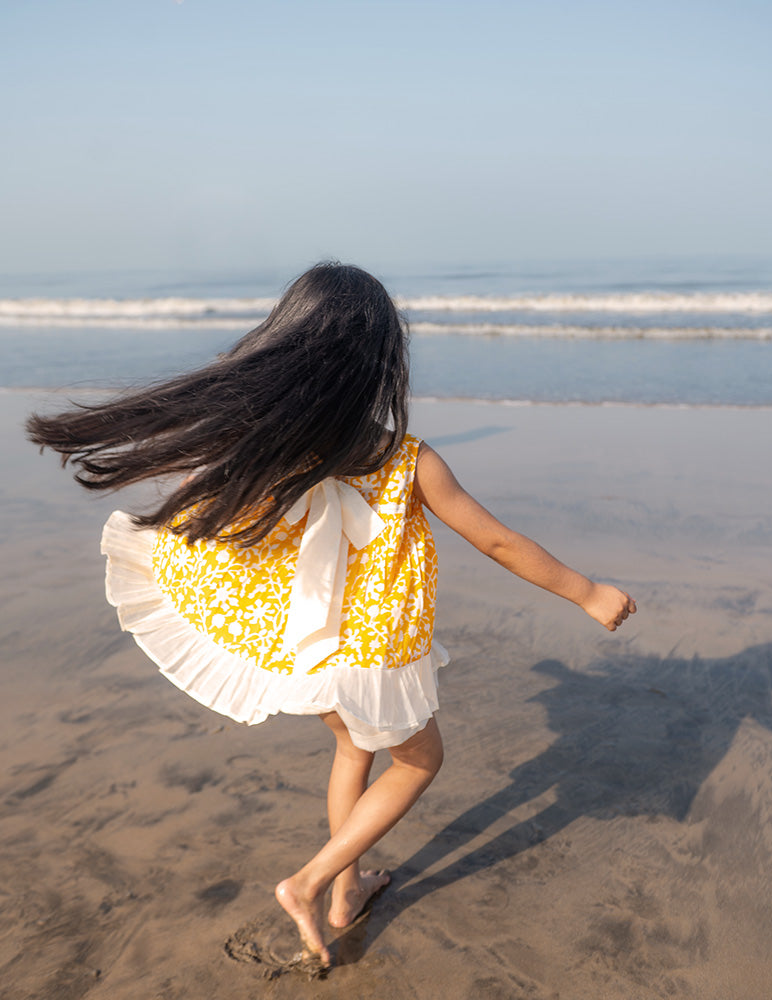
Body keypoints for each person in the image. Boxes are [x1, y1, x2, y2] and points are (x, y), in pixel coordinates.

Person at [27, 262, 636, 970]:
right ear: (378, 366)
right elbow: (496, 540)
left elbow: (199, 492)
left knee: (354, 750)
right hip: (374, 651)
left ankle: (348, 894)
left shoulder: (267, 444)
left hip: (308, 645)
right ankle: (310, 881)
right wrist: (587, 592)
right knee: (418, 762)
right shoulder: (406, 459)